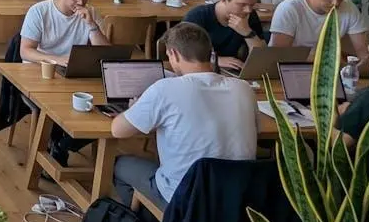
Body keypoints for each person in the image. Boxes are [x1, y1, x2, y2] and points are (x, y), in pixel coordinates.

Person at [109, 23, 258, 210]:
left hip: (185, 198)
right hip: (237, 197)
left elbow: (118, 130)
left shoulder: (165, 89)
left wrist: (137, 107)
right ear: (210, 52)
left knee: (119, 166)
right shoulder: (243, 88)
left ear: (174, 54)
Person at [269, 0, 369, 69]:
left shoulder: (349, 8)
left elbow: (364, 54)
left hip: (330, 69)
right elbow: (279, 55)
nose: (335, 3)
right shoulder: (289, 9)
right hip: (293, 68)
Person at [19, 0, 111, 65]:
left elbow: (105, 55)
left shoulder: (91, 12)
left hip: (72, 67)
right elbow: (25, 51)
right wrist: (57, 60)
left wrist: (92, 24)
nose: (81, 2)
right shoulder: (38, 11)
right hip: (42, 66)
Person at [181, 0, 265, 72]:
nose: (248, 10)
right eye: (242, 5)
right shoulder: (198, 16)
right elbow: (183, 51)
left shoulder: (250, 15)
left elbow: (260, 57)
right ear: (224, 0)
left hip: (232, 71)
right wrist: (216, 60)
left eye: (252, 5)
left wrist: (248, 33)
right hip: (200, 69)